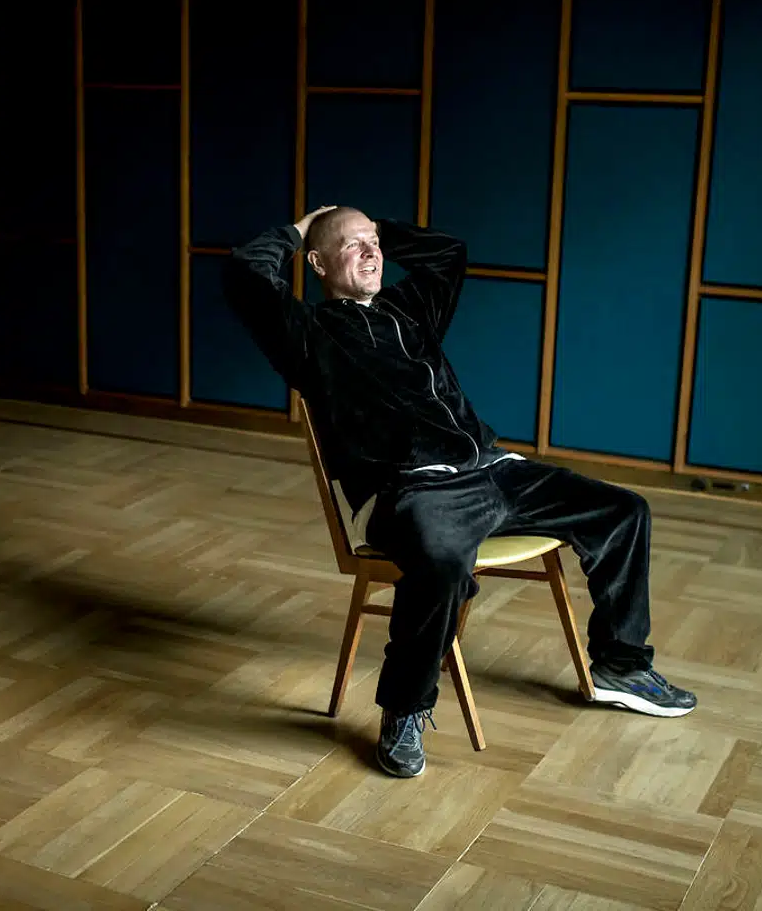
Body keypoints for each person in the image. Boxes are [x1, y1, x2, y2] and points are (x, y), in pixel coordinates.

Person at [223, 205, 696, 779]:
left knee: (623, 511)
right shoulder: (305, 334)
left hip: (492, 469)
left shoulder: (409, 309)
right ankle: (404, 710)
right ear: (317, 263)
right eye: (351, 246)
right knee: (443, 564)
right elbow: (245, 272)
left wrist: (375, 231)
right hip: (413, 490)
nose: (370, 252)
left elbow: (449, 254)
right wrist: (302, 230)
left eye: (374, 243)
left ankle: (620, 665)